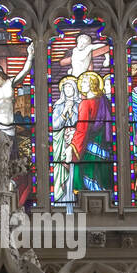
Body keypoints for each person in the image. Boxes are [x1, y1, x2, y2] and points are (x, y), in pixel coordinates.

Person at [71, 71, 114, 193]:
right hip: (102, 143)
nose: (81, 85)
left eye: (84, 82)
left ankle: (91, 195)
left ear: (91, 85)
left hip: (89, 144)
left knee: (88, 169)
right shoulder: (103, 100)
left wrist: (73, 145)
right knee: (100, 170)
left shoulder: (85, 103)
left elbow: (82, 128)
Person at [52, 76, 79, 207]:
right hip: (61, 143)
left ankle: (74, 199)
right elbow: (55, 125)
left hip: (76, 142)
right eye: (66, 87)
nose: (68, 89)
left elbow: (83, 124)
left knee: (74, 172)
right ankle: (62, 202)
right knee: (61, 172)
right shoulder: (58, 106)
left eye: (70, 87)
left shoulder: (80, 104)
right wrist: (64, 112)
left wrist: (73, 110)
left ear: (75, 89)